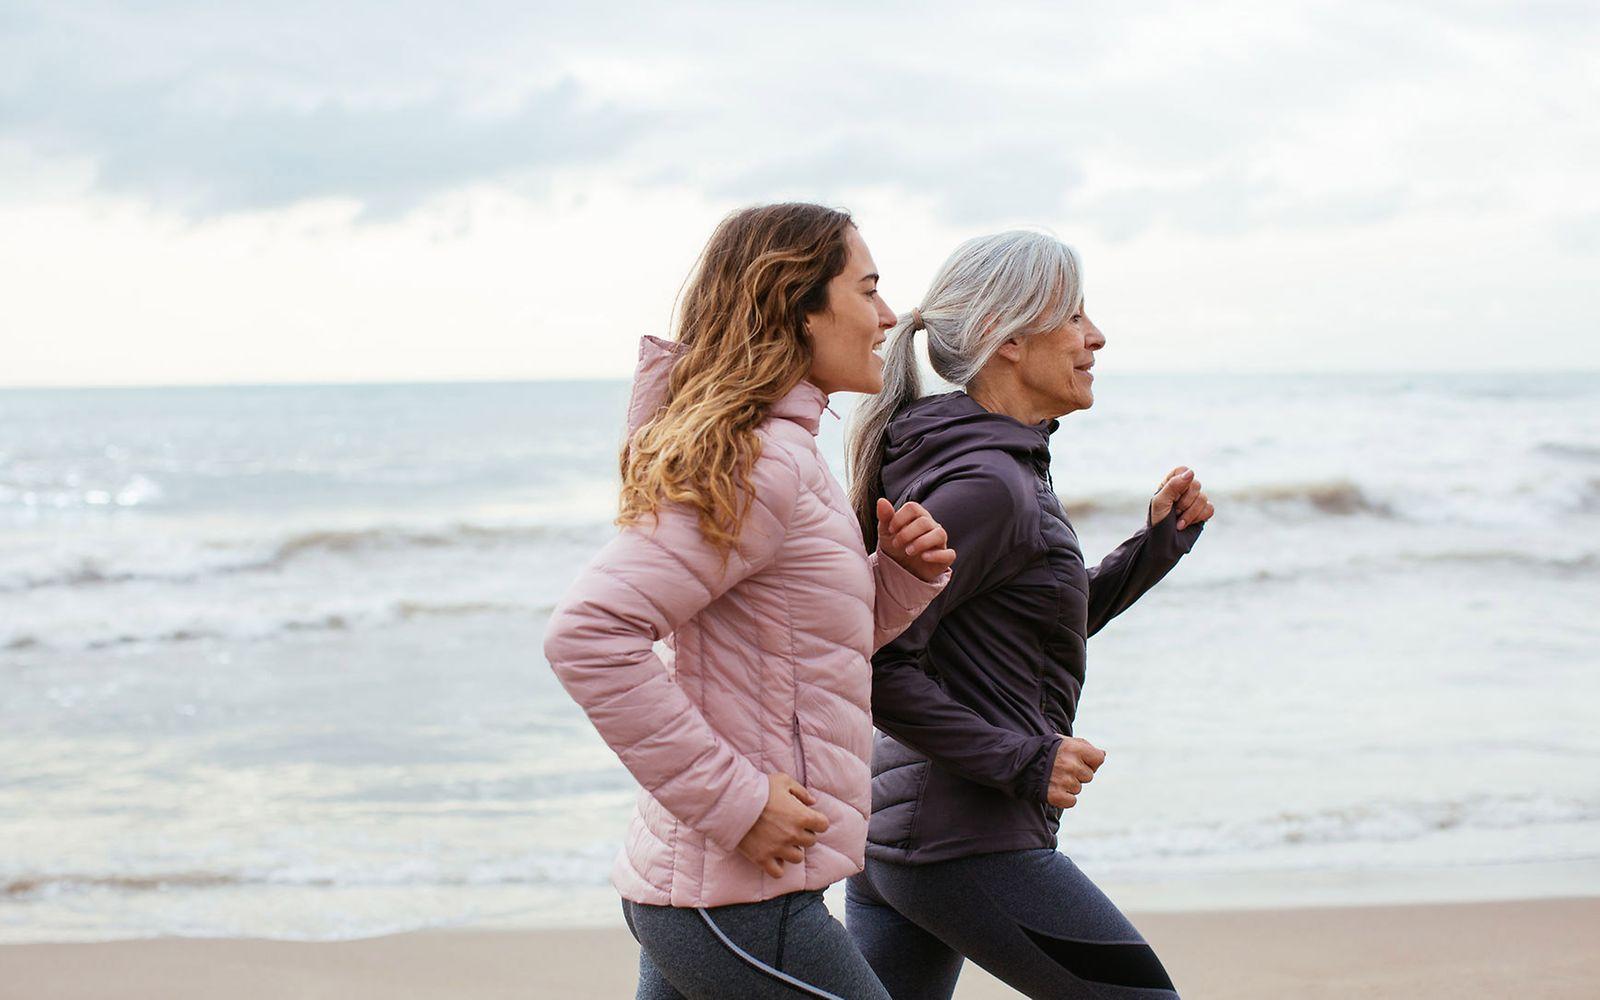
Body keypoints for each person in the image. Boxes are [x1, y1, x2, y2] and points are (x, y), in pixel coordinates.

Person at [543, 203, 957, 1000]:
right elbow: (589, 637)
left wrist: (895, 578)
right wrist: (735, 802)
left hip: (725, 892)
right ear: (797, 308)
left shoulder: (787, 453)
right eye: (867, 290)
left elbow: (799, 648)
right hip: (732, 896)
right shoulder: (761, 461)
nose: (889, 315)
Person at [842, 230, 1214, 999]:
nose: (1096, 336)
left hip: (911, 834)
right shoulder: (988, 485)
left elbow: (1018, 631)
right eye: (1074, 315)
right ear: (1006, 340)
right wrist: (1026, 760)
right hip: (962, 838)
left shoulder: (990, 464)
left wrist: (1153, 548)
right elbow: (871, 663)